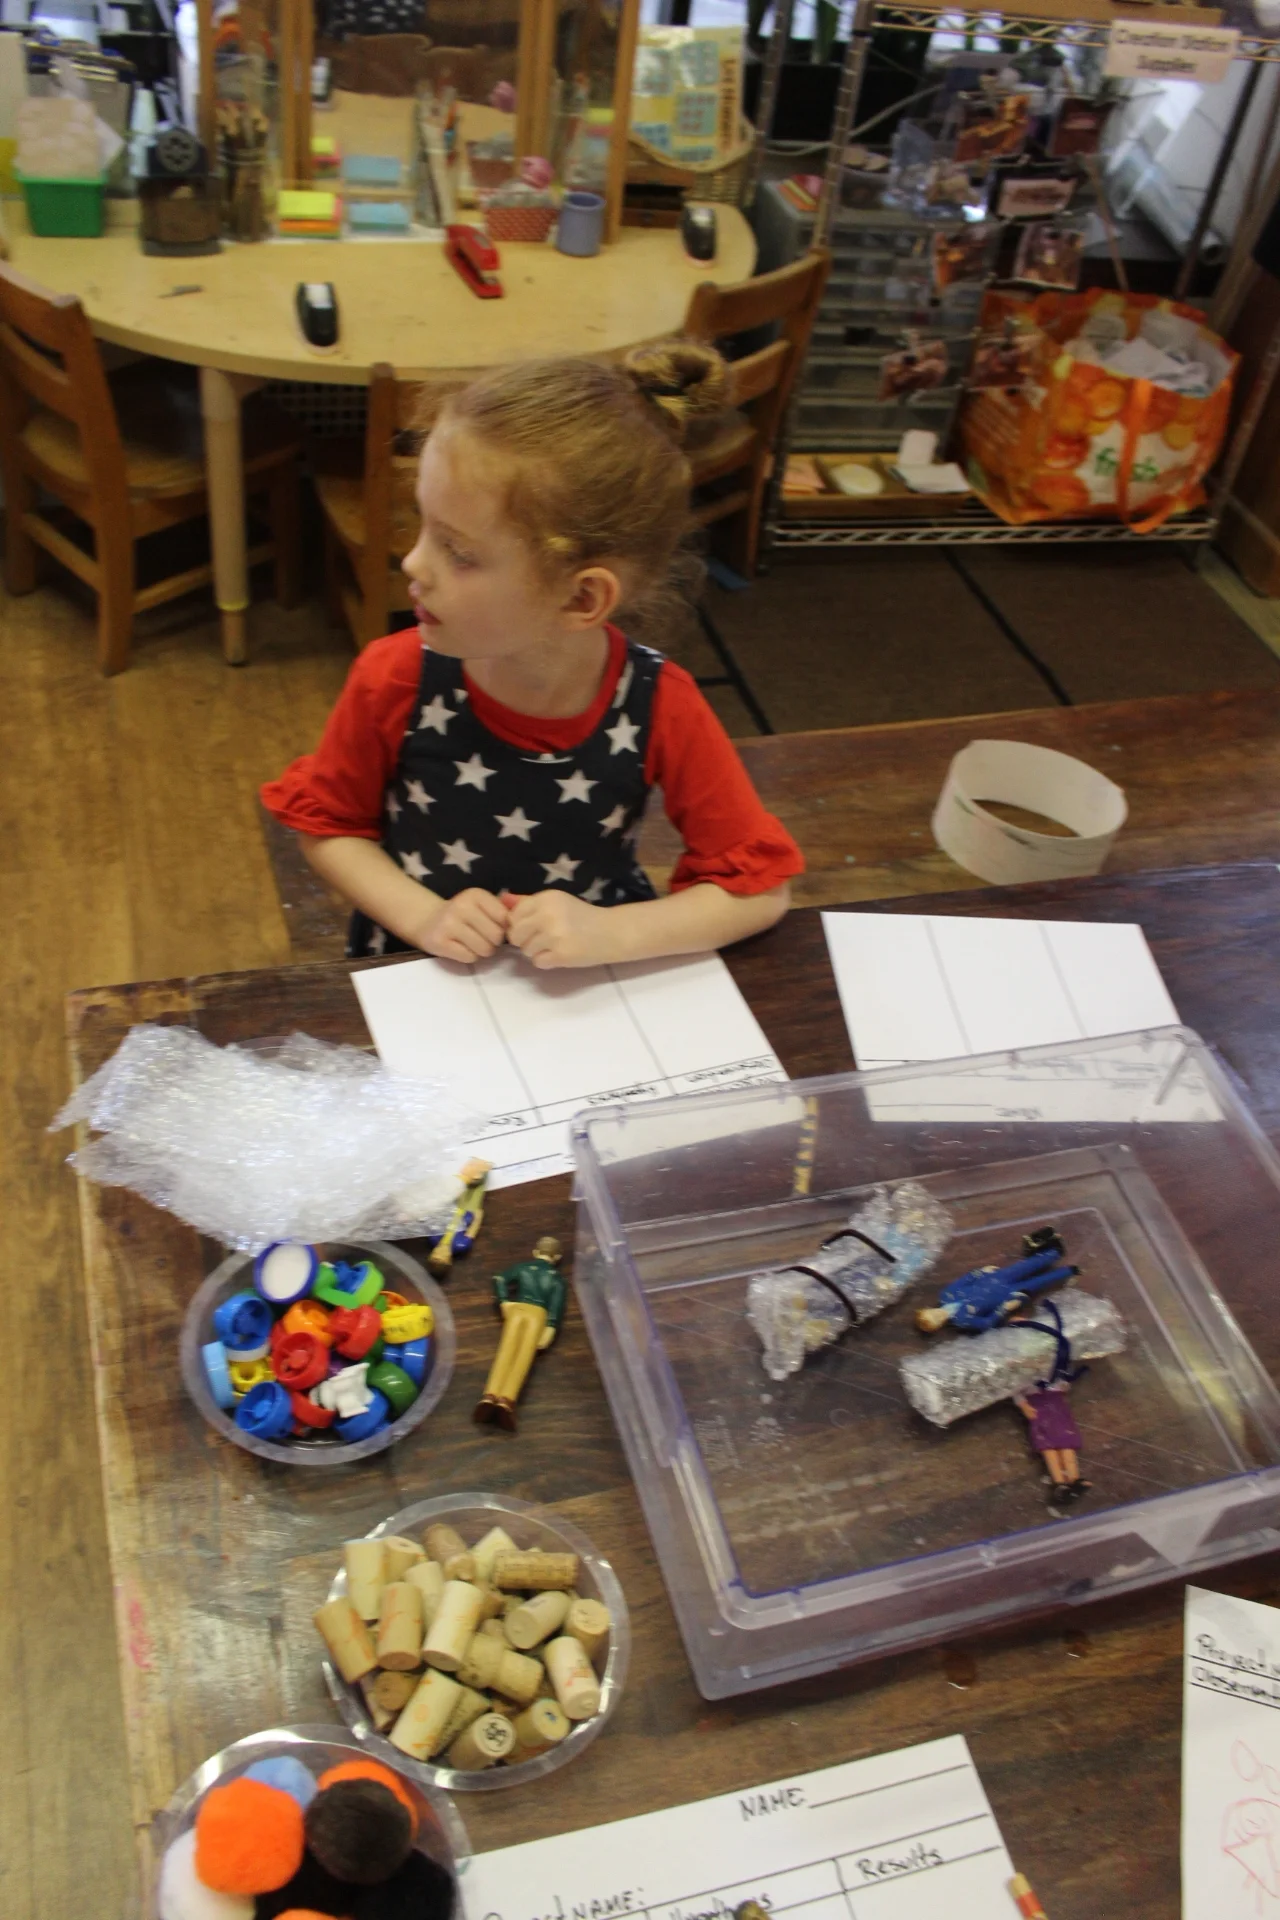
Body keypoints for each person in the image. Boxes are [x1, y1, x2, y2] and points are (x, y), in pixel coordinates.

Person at [261, 344, 803, 968]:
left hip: (582, 986)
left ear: (581, 597)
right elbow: (330, 830)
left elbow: (759, 894)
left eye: (458, 552)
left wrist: (614, 934)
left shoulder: (661, 706)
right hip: (420, 968)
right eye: (422, 523)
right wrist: (424, 917)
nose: (412, 563)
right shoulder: (394, 677)